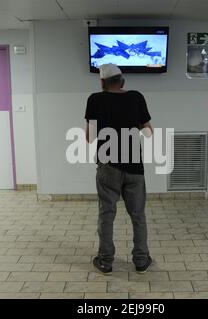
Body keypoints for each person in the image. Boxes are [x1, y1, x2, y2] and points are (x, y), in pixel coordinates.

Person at [85, 63, 153, 275]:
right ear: (122, 80)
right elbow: (148, 130)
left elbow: (90, 137)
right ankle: (141, 261)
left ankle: (106, 261)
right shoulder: (136, 97)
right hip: (134, 167)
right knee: (138, 215)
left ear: (102, 82)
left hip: (108, 167)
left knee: (107, 213)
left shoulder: (95, 99)